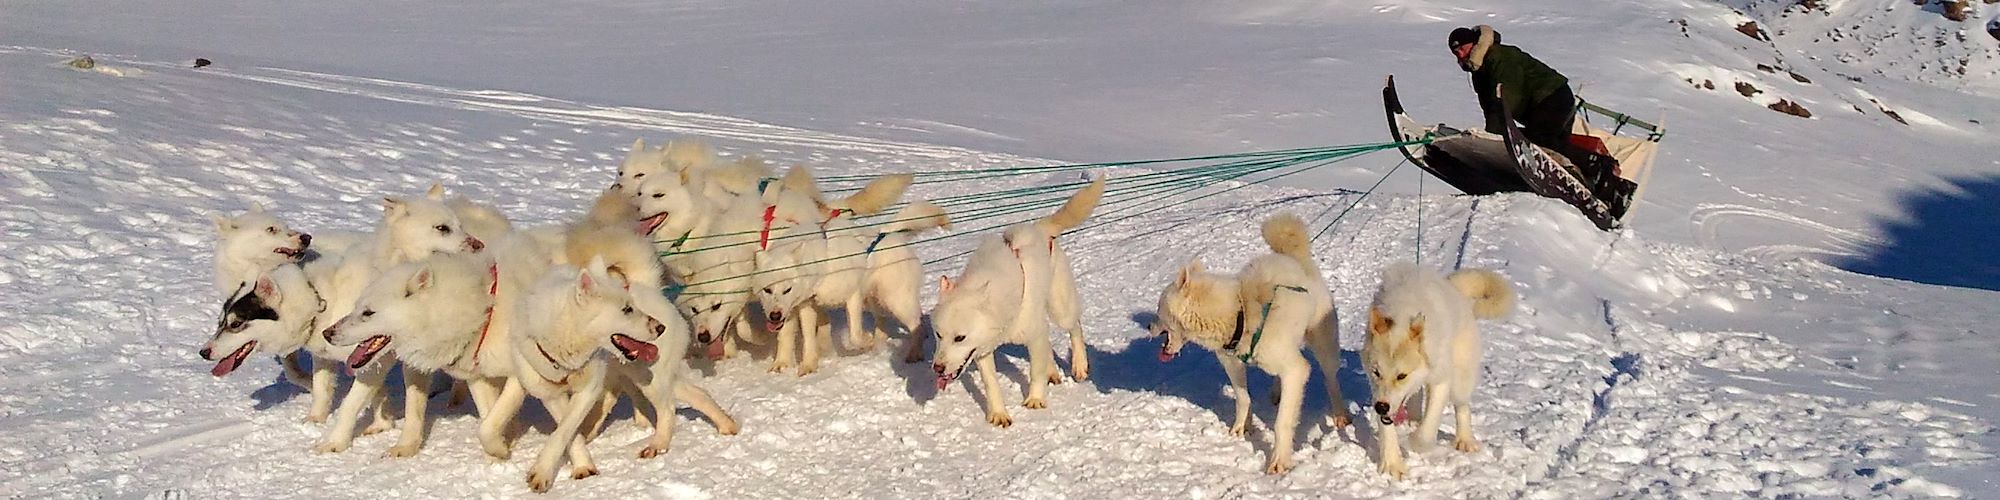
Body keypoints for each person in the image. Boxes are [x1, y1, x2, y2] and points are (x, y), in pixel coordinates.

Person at [1449, 25, 1632, 218]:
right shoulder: (1479, 70)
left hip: (1552, 97)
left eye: (1462, 48)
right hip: (1544, 103)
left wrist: (1496, 138)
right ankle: (1594, 186)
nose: (1459, 55)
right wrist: (1493, 135)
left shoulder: (1498, 57)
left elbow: (1505, 97)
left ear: (1474, 44)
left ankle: (1602, 166)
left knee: (1543, 141)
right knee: (1554, 148)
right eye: (1455, 52)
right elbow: (1489, 105)